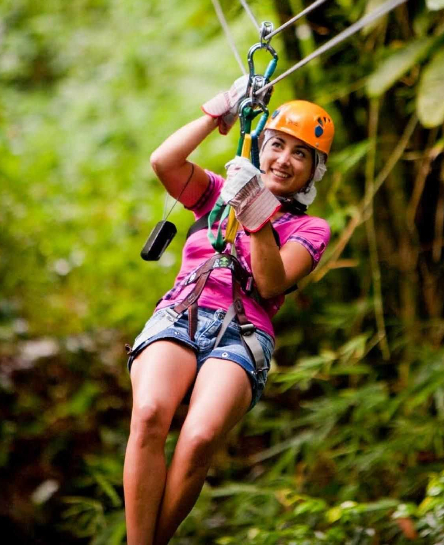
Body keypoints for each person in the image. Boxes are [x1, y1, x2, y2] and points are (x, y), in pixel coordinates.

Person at [122, 76, 334, 545]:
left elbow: (271, 282)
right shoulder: (216, 191)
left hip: (243, 333)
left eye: (300, 154)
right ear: (260, 145)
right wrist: (221, 110)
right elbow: (164, 161)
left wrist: (255, 209)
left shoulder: (311, 228)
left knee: (198, 439)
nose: (283, 160)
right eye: (277, 145)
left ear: (313, 171)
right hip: (184, 310)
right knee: (151, 411)